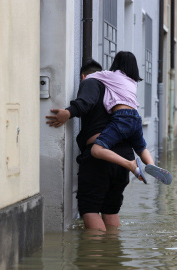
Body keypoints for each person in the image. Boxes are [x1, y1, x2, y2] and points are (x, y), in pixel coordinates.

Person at [46, 59, 135, 231]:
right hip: (125, 156)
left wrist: (68, 112)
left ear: (83, 77)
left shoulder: (92, 80)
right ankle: (111, 253)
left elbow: (87, 100)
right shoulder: (117, 90)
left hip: (101, 156)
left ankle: (94, 256)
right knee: (110, 210)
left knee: (90, 209)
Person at [86, 51, 172, 185]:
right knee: (141, 148)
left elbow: (89, 77)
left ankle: (130, 164)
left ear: (116, 63)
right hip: (136, 118)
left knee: (96, 150)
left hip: (122, 117)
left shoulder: (111, 75)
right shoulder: (133, 82)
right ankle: (152, 165)